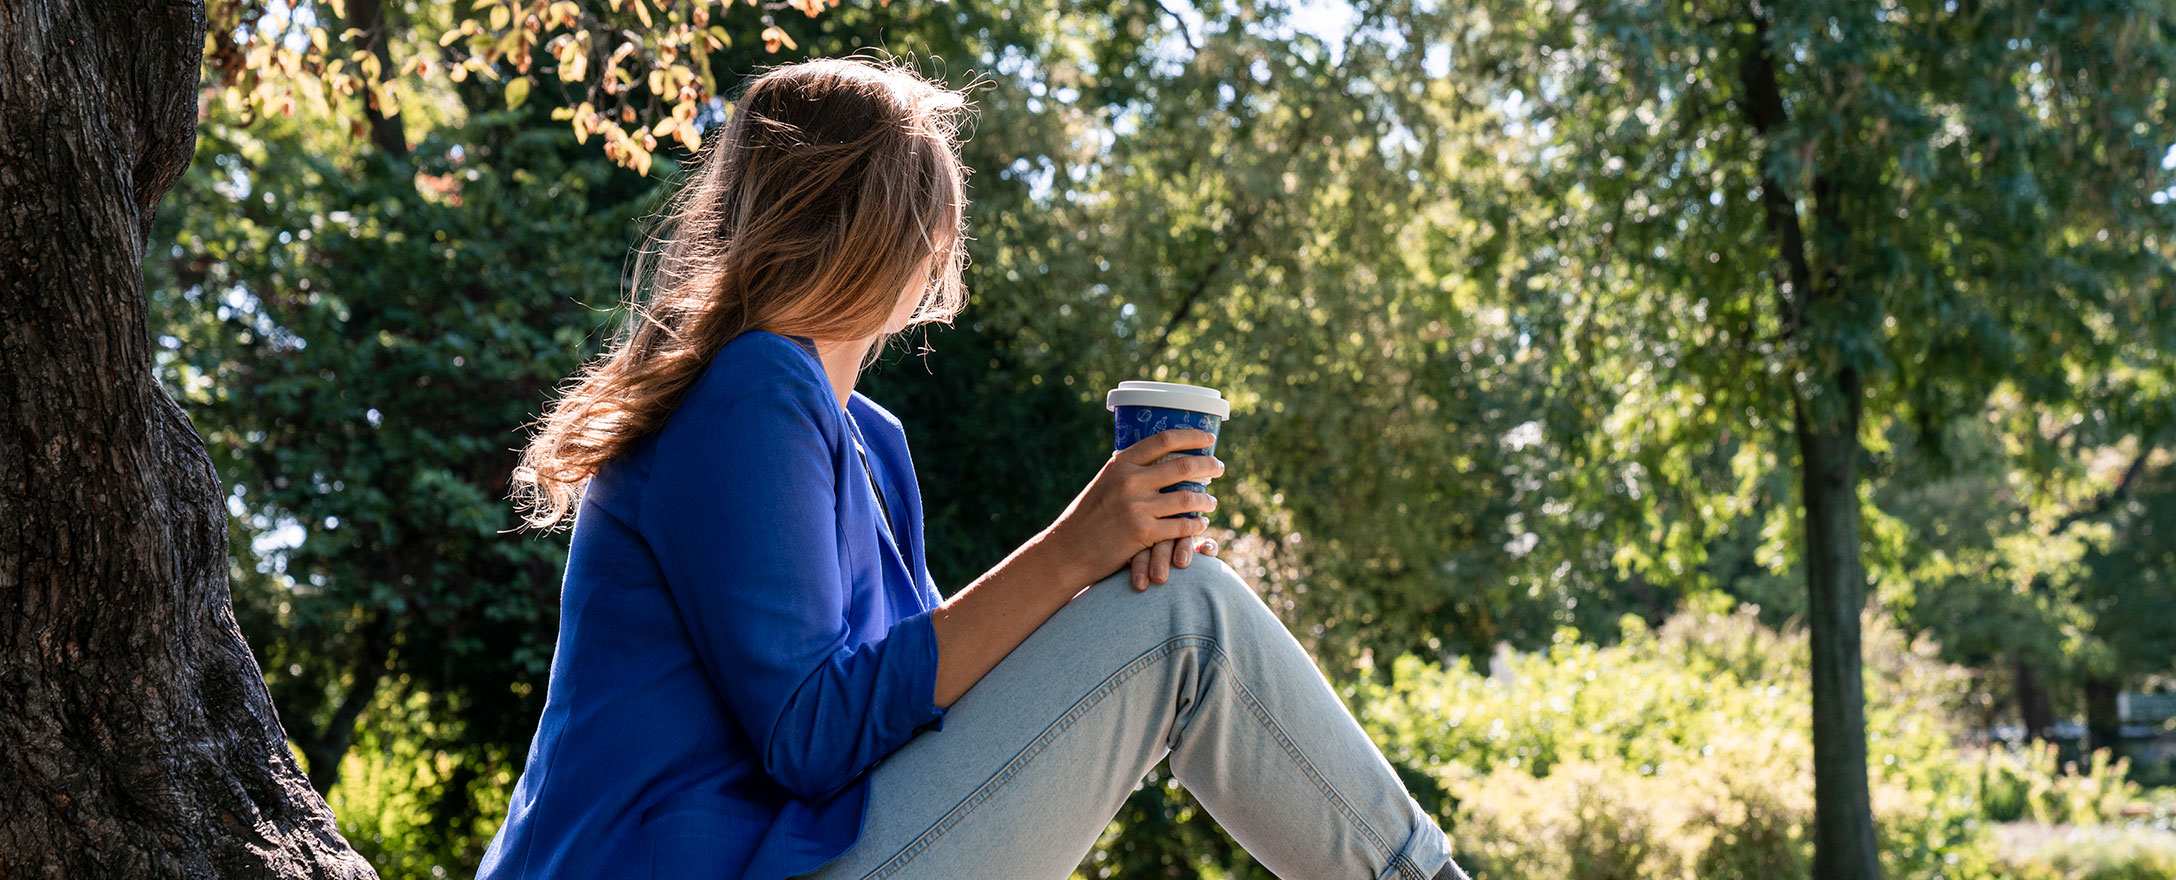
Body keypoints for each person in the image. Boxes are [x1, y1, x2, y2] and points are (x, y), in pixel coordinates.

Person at [481, 55, 1471, 880]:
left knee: (1168, 608)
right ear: (909, 231)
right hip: (711, 864)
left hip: (794, 851)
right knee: (1187, 616)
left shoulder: (867, 437)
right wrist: (1073, 552)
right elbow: (813, 734)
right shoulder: (753, 386)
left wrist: (1102, 574)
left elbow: (924, 711)